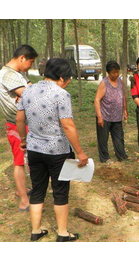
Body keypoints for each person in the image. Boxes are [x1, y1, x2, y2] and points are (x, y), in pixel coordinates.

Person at [16, 58, 88, 242]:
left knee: (38, 190)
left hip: (34, 149)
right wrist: (80, 152)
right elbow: (68, 125)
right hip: (58, 152)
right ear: (62, 78)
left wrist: (23, 140)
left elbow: (19, 119)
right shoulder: (61, 94)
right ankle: (63, 233)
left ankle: (36, 230)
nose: (69, 82)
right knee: (60, 191)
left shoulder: (28, 90)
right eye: (70, 78)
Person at [0, 44, 38, 211]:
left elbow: (31, 89)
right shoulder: (8, 75)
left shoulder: (17, 74)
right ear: (22, 58)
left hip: (23, 122)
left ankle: (21, 189)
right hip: (17, 124)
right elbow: (30, 94)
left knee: (23, 158)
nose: (31, 65)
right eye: (31, 62)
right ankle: (24, 201)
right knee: (19, 161)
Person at [94, 60, 128, 163]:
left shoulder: (120, 82)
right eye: (113, 72)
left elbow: (123, 96)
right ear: (108, 72)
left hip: (117, 116)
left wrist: (125, 110)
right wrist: (99, 116)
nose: (116, 74)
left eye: (117, 72)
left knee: (119, 137)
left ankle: (121, 155)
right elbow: (97, 100)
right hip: (105, 115)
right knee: (103, 139)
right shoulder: (104, 83)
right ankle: (105, 158)